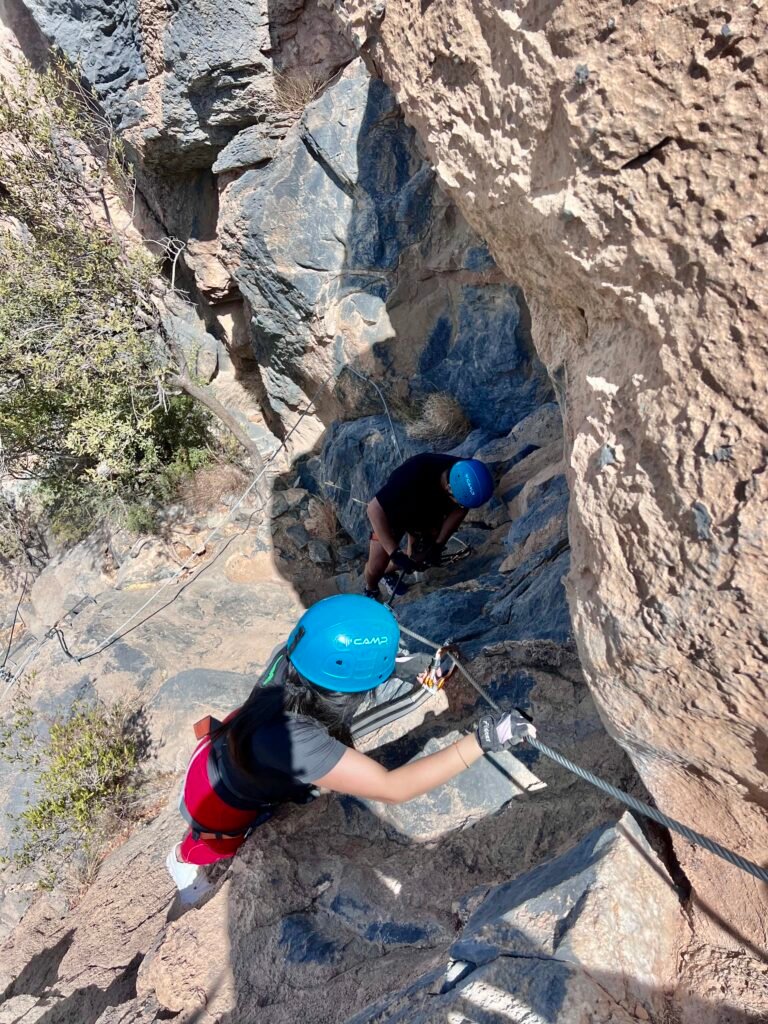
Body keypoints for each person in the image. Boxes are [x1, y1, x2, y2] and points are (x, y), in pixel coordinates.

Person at [166, 594, 535, 899]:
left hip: (222, 751)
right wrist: (483, 741)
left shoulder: (294, 652)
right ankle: (184, 863)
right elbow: (393, 787)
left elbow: (338, 672)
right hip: (218, 805)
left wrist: (406, 668)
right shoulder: (299, 742)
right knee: (211, 847)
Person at [364, 455, 494, 599]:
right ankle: (371, 589)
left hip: (428, 513)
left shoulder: (464, 472)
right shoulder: (412, 473)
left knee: (416, 559)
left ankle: (389, 571)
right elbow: (373, 509)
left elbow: (460, 510)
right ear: (449, 488)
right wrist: (394, 553)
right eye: (457, 502)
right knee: (376, 567)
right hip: (394, 514)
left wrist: (438, 545)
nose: (461, 506)